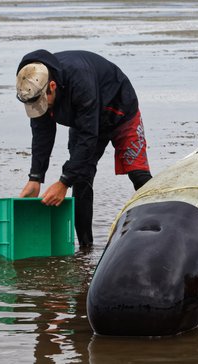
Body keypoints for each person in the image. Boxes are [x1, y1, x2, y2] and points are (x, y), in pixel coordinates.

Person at [15, 49, 152, 248]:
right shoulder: (32, 88)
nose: (40, 108)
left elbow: (89, 137)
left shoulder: (80, 80)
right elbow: (42, 136)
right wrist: (35, 177)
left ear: (51, 86)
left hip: (120, 110)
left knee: (139, 175)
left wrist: (63, 182)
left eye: (43, 102)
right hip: (84, 118)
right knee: (82, 178)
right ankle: (85, 248)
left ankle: (168, 226)